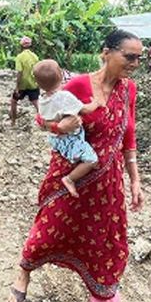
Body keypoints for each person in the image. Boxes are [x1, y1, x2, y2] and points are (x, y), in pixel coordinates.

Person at [6, 29, 145, 302]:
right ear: (106, 53)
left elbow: (129, 137)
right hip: (69, 176)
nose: (136, 63)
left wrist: (135, 180)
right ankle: (23, 274)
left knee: (109, 245)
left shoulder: (129, 91)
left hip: (107, 184)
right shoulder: (79, 85)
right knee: (49, 231)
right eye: (130, 56)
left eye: (140, 57)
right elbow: (44, 115)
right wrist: (57, 127)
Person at [33, 59, 100, 198]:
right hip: (70, 139)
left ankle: (73, 160)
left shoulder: (42, 98)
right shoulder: (64, 97)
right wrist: (96, 102)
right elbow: (85, 110)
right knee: (92, 160)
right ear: (61, 75)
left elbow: (41, 119)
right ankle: (70, 179)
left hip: (55, 139)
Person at [9, 36, 40, 126]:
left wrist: (17, 87)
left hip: (22, 84)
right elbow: (37, 71)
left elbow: (19, 73)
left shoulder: (20, 57)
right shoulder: (35, 56)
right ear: (30, 46)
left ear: (21, 46)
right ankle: (43, 123)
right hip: (33, 84)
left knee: (13, 101)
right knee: (36, 103)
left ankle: (13, 122)